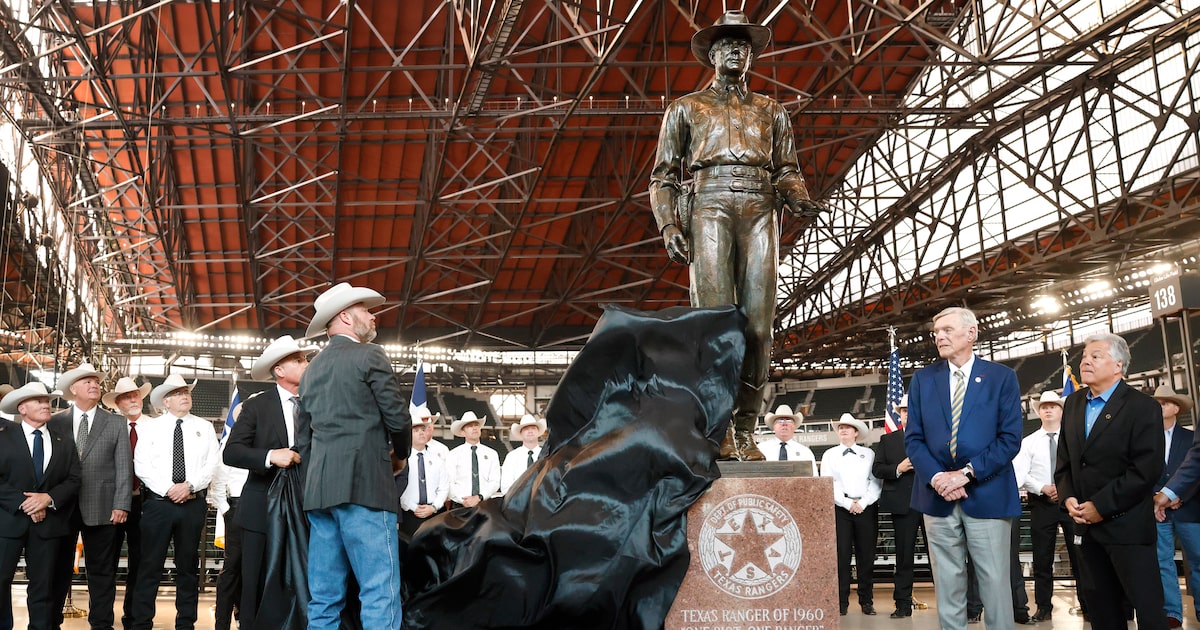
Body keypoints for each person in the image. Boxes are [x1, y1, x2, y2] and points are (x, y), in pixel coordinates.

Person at [649, 10, 822, 461]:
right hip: (709, 203)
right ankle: (716, 429)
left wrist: (798, 197)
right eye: (726, 45)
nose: (735, 51)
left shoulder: (772, 110)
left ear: (751, 56)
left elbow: (788, 169)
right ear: (711, 53)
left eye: (743, 46)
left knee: (759, 327)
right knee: (714, 324)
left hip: (761, 207)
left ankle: (745, 429)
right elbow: (663, 176)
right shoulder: (686, 108)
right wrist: (669, 222)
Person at [294, 282, 411, 630]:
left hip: (320, 494)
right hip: (365, 487)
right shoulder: (369, 354)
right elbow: (397, 417)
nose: (373, 315)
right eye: (364, 309)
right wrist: (400, 455)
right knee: (379, 590)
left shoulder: (310, 370)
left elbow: (304, 440)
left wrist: (313, 486)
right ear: (345, 316)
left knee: (324, 596)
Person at [905, 306, 1023, 630]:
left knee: (995, 584)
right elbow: (913, 439)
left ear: (971, 333)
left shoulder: (1002, 378)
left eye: (946, 330)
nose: (939, 336)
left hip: (987, 492)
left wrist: (966, 474)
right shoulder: (923, 379)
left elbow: (1010, 439)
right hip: (936, 496)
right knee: (947, 585)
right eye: (936, 332)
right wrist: (939, 477)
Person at [1057, 332, 1167, 630]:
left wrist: (1101, 506)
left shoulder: (1142, 407)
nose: (1086, 361)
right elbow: (1064, 462)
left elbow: (1147, 469)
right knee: (1102, 612)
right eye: (1085, 356)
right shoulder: (1073, 403)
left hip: (1127, 527)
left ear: (1118, 365)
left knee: (1148, 612)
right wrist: (1068, 496)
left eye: (1096, 355)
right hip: (1086, 529)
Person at [222, 335, 313, 628]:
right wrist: (271, 455)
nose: (306, 363)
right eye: (298, 360)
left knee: (306, 581)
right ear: (279, 371)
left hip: (309, 507)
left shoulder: (317, 403)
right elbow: (232, 452)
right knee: (255, 582)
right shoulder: (258, 406)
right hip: (261, 508)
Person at [129, 373, 220, 630]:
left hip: (193, 504)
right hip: (158, 504)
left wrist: (189, 486)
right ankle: (141, 623)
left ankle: (186, 624)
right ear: (165, 402)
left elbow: (213, 463)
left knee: (188, 567)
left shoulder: (204, 427)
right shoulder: (150, 428)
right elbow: (142, 466)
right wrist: (170, 489)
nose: (185, 397)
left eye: (186, 392)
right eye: (178, 393)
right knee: (149, 566)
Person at [46, 362, 132, 630]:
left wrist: (121, 503)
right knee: (58, 570)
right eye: (87, 381)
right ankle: (51, 622)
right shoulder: (55, 421)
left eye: (96, 381)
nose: (94, 385)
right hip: (62, 507)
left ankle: (102, 625)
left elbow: (123, 467)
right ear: (73, 389)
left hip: (104, 507)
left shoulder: (116, 422)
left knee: (102, 573)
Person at [0, 382, 81, 630]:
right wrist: (27, 503)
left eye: (47, 401)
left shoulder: (64, 441)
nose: (46, 405)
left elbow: (74, 478)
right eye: (39, 401)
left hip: (49, 525)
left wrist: (47, 499)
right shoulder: (3, 437)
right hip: (8, 523)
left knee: (44, 587)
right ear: (22, 408)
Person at [1012, 390, 1086, 622]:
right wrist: (1042, 487)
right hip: (1042, 504)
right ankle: (1044, 607)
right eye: (1044, 406)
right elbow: (1020, 474)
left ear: (1061, 410)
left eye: (1053, 405)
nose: (1048, 409)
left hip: (1072, 504)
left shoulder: (1074, 439)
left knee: (1080, 557)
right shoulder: (1028, 442)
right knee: (1042, 559)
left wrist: (1064, 488)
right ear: (1039, 411)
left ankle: (1088, 604)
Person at [101, 376, 152, 629]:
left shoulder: (155, 427)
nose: (133, 400)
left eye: (136, 395)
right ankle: (103, 620)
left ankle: (134, 618)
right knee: (106, 564)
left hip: (144, 502)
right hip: (111, 504)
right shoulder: (108, 426)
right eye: (127, 397)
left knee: (141, 564)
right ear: (117, 403)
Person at [1149, 385, 1200, 627]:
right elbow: (1140, 473)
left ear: (1176, 408)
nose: (1158, 407)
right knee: (1162, 561)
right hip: (1157, 510)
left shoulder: (1191, 438)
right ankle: (1172, 613)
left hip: (1188, 508)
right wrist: (1157, 496)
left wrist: (1179, 495)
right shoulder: (1145, 440)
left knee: (1198, 560)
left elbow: (1196, 472)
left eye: (1164, 403)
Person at [821, 413, 881, 616]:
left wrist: (862, 502)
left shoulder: (869, 454)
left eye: (848, 427)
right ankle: (841, 602)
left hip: (866, 507)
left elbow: (875, 482)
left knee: (866, 557)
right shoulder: (829, 455)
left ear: (856, 432)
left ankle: (867, 601)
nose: (843, 430)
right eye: (841, 427)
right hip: (840, 508)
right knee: (841, 556)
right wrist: (847, 503)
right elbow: (828, 482)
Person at [872, 394, 925, 618]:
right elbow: (877, 469)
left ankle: (952, 603)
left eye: (911, 410)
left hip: (931, 502)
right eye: (904, 411)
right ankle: (902, 604)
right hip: (902, 504)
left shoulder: (931, 437)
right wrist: (898, 468)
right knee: (904, 557)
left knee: (942, 558)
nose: (907, 414)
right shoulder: (888, 441)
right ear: (899, 414)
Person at [210, 406, 248, 630]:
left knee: (254, 567)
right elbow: (218, 480)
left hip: (264, 507)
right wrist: (227, 510)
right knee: (232, 567)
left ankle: (246, 617)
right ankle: (222, 622)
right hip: (237, 505)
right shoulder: (230, 442)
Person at [399, 414, 448, 538]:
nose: (421, 433)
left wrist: (434, 507)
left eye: (423, 430)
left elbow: (444, 487)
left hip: (434, 514)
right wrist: (413, 507)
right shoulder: (402, 460)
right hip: (410, 515)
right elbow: (398, 487)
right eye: (416, 430)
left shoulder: (437, 459)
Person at [447, 411, 501, 508]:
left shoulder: (492, 454)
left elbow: (495, 481)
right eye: (470, 426)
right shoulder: (453, 454)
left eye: (476, 425)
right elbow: (449, 482)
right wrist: (463, 499)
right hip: (460, 505)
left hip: (485, 505)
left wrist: (479, 497)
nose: (474, 428)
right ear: (463, 432)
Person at [756, 404, 818, 471]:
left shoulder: (805, 452)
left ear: (794, 426)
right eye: (780, 421)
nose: (784, 424)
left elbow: (814, 478)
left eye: (789, 421)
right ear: (774, 426)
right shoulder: (760, 449)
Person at [500, 414, 546, 495]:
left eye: (533, 428)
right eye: (526, 429)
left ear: (538, 432)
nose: (530, 431)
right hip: (517, 503)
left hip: (542, 502)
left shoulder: (546, 455)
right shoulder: (512, 457)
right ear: (521, 433)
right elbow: (505, 486)